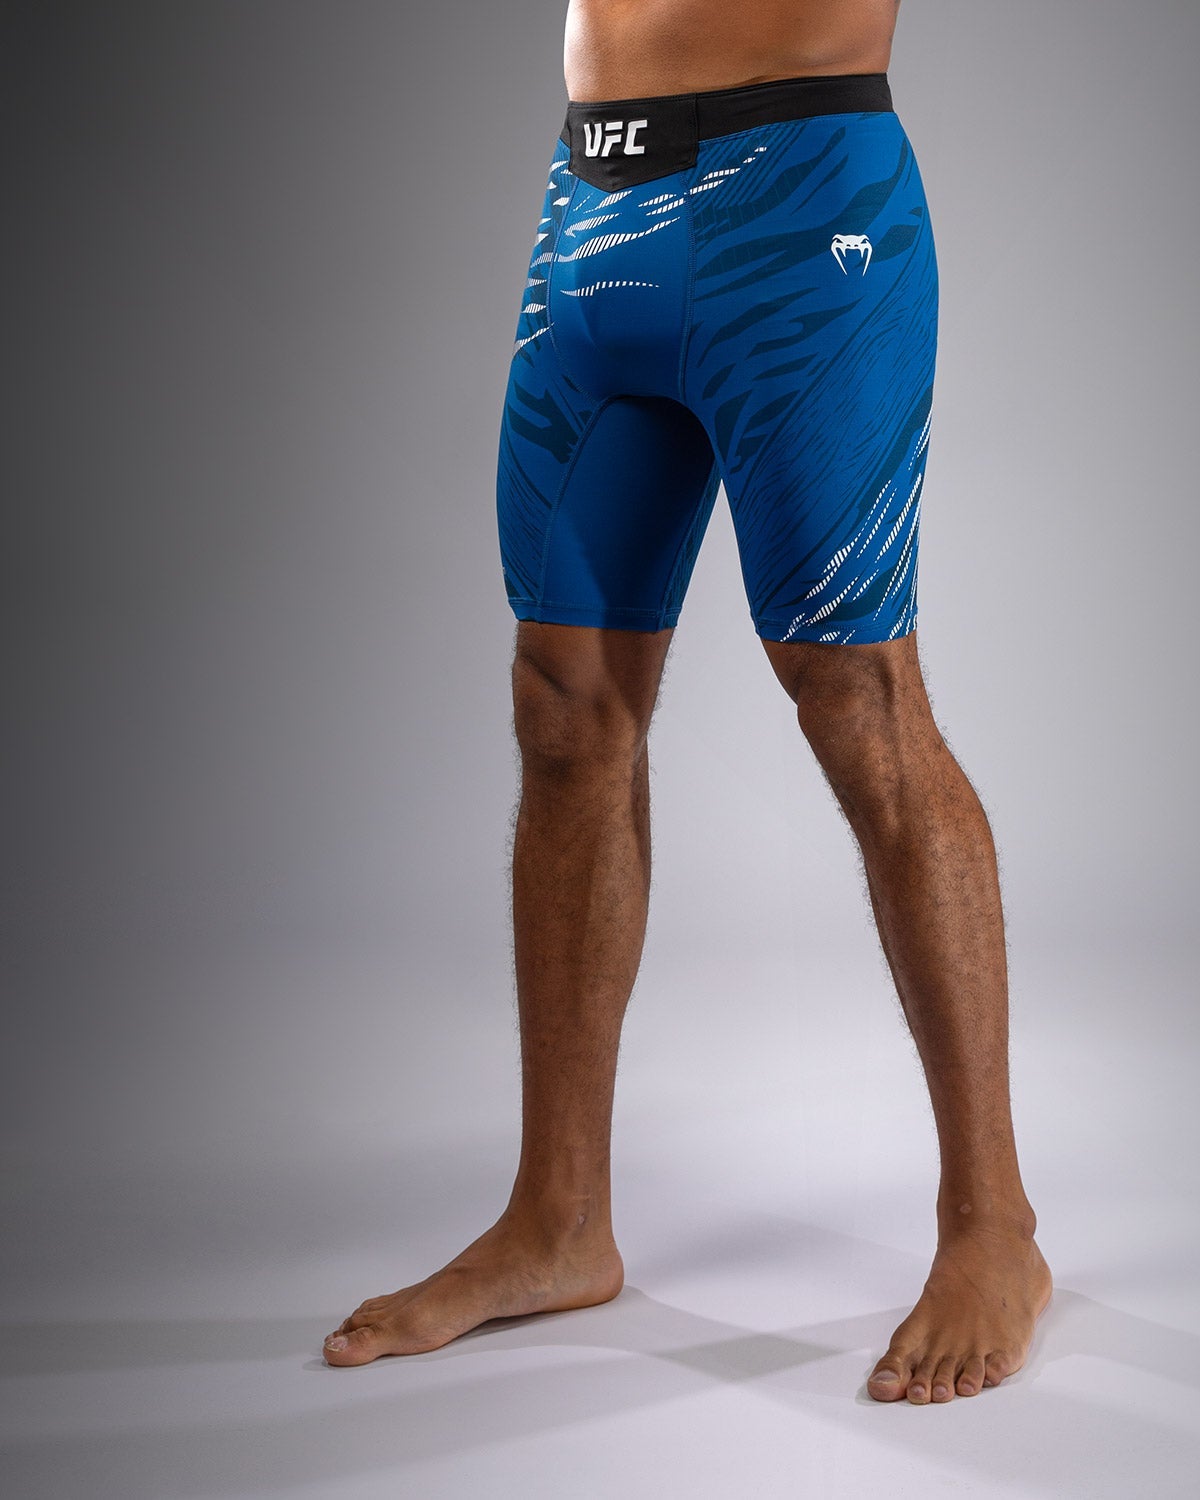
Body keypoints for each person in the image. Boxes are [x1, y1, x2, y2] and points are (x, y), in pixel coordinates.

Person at [324, 0, 1051, 1406]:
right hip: (595, 207)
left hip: (803, 204)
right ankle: (559, 1219)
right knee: (564, 707)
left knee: (856, 697)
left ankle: (994, 1228)